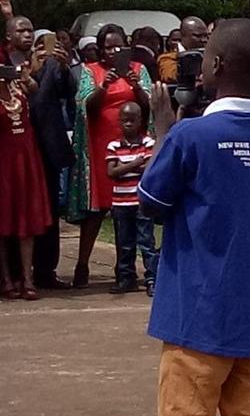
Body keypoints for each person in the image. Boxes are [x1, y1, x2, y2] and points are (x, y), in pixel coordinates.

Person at [139, 18, 250, 416]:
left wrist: (163, 128)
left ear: (216, 64)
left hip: (198, 316)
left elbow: (153, 202)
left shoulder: (191, 136)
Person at [66, 23, 152, 289]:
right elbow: (85, 105)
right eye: (108, 48)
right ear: (100, 50)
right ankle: (82, 263)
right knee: (96, 211)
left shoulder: (139, 69)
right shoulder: (91, 71)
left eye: (118, 46)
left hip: (133, 144)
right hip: (101, 145)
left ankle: (125, 269)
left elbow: (148, 104)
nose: (114, 52)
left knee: (128, 209)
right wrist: (105, 84)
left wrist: (136, 87)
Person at [24, 27, 76, 290]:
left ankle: (46, 270)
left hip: (48, 147)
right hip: (19, 147)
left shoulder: (57, 65)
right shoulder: (16, 65)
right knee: (20, 210)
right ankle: (19, 273)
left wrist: (66, 68)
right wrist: (30, 69)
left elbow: (69, 94)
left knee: (49, 210)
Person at [0, 64, 51, 301]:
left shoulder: (19, 87)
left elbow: (35, 87)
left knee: (26, 219)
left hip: (26, 158)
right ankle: (7, 279)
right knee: (3, 219)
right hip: (3, 161)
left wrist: (23, 76)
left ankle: (28, 278)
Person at [105, 102, 158, 296]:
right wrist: (136, 163)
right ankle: (126, 278)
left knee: (146, 242)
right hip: (120, 203)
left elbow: (150, 168)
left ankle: (152, 278)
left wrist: (124, 167)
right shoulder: (113, 145)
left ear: (140, 122)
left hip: (141, 202)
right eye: (124, 120)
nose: (128, 124)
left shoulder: (148, 143)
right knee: (124, 243)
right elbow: (111, 172)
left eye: (132, 120)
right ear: (119, 122)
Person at [157, 17, 208, 83]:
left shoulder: (210, 56)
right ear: (183, 36)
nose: (204, 40)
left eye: (206, 36)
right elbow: (169, 76)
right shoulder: (168, 58)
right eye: (198, 36)